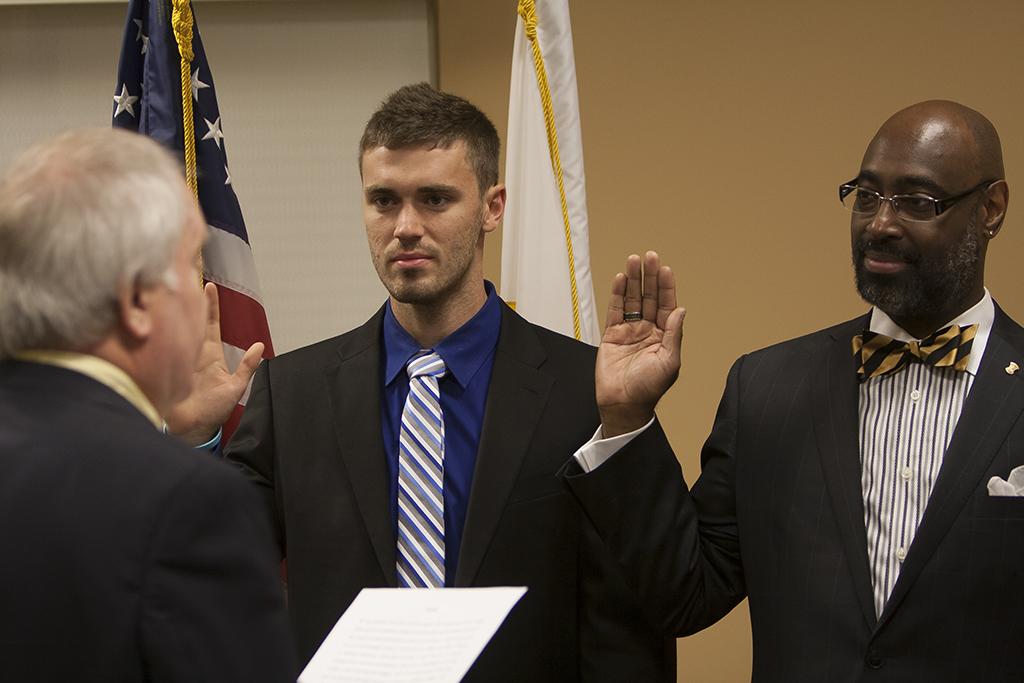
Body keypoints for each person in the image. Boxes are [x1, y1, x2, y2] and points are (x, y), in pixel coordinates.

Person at [175, 83, 675, 681]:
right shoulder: (293, 396)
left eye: (435, 199)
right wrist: (194, 439)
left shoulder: (587, 391)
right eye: (383, 200)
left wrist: (630, 426)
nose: (405, 226)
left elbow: (632, 618)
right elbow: (205, 570)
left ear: (493, 207)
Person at [566, 100, 1023, 682]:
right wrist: (627, 415)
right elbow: (687, 594)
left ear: (991, 208)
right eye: (866, 195)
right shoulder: (768, 389)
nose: (880, 223)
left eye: (916, 201)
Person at [0, 129, 295, 683]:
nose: (204, 294)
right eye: (191, 267)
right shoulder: (186, 503)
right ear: (137, 301)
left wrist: (175, 440)